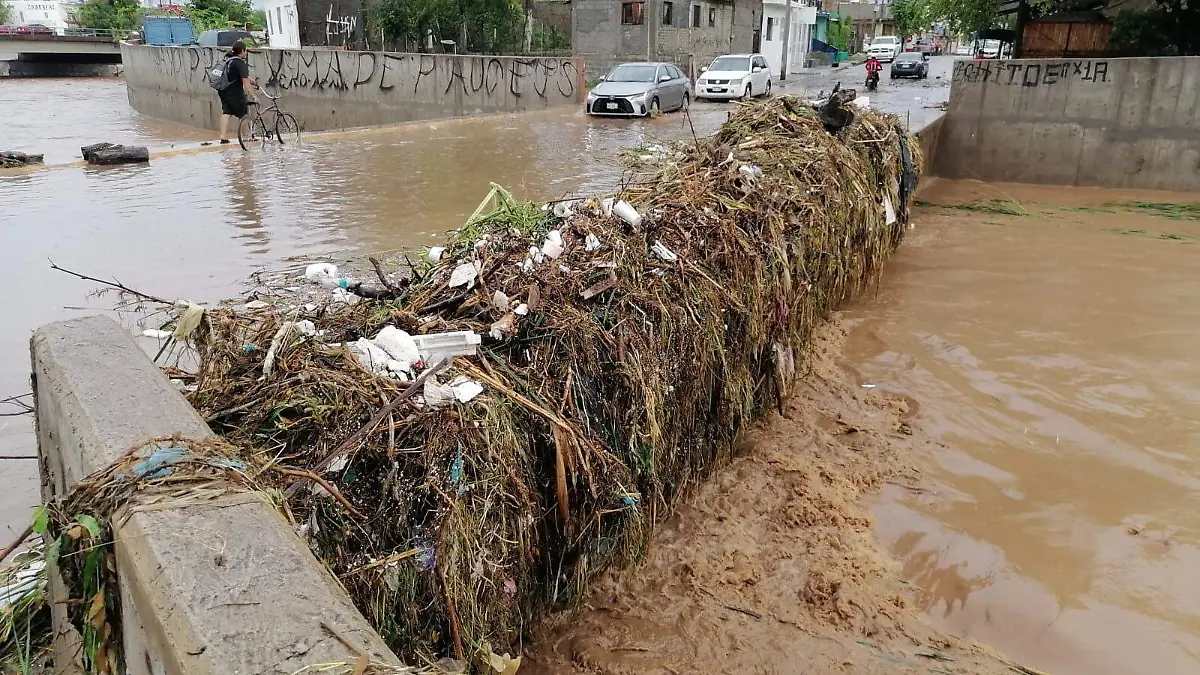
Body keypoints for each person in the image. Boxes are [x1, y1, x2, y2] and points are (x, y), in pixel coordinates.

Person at [217, 40, 258, 145]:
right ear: (243, 51)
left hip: (224, 91)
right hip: (235, 92)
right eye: (246, 50)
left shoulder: (229, 60)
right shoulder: (240, 63)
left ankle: (223, 136)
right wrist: (253, 95)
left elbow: (238, 75)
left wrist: (250, 80)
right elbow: (245, 82)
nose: (246, 52)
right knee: (243, 114)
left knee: (227, 112)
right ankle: (247, 136)